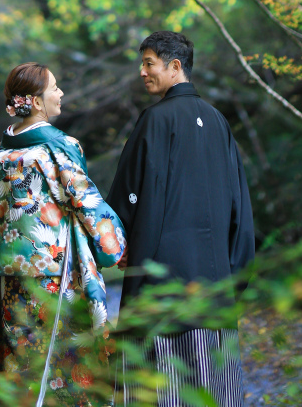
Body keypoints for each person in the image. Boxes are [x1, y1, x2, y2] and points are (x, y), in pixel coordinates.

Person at [106, 31, 255, 407]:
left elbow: (126, 198)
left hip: (162, 285)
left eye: (148, 63)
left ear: (175, 67)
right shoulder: (218, 121)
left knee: (162, 389)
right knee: (214, 389)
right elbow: (241, 206)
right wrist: (235, 274)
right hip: (215, 283)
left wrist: (116, 246)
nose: (142, 72)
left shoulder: (154, 121)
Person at [0, 62, 126, 407]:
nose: (60, 94)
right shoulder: (58, 148)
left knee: (22, 356)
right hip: (57, 273)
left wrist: (12, 251)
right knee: (66, 358)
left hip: (11, 275)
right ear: (37, 102)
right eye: (54, 88)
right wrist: (116, 246)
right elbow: (87, 203)